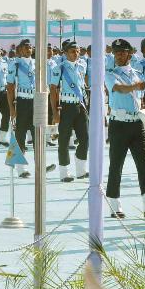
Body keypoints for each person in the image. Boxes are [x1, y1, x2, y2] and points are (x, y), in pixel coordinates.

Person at [104, 38, 145, 219]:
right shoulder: (110, 74)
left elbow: (141, 97)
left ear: (129, 54)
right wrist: (135, 86)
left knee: (144, 164)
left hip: (137, 122)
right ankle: (114, 205)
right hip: (119, 123)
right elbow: (119, 89)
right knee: (116, 165)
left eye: (122, 52)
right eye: (116, 53)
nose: (118, 56)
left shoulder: (137, 73)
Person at [50, 38, 90, 182]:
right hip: (66, 106)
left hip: (80, 106)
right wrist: (55, 112)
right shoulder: (59, 68)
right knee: (64, 140)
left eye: (77, 51)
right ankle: (64, 172)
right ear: (65, 53)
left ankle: (81, 170)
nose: (76, 53)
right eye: (73, 51)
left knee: (85, 138)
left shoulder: (82, 66)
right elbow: (53, 90)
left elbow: (83, 85)